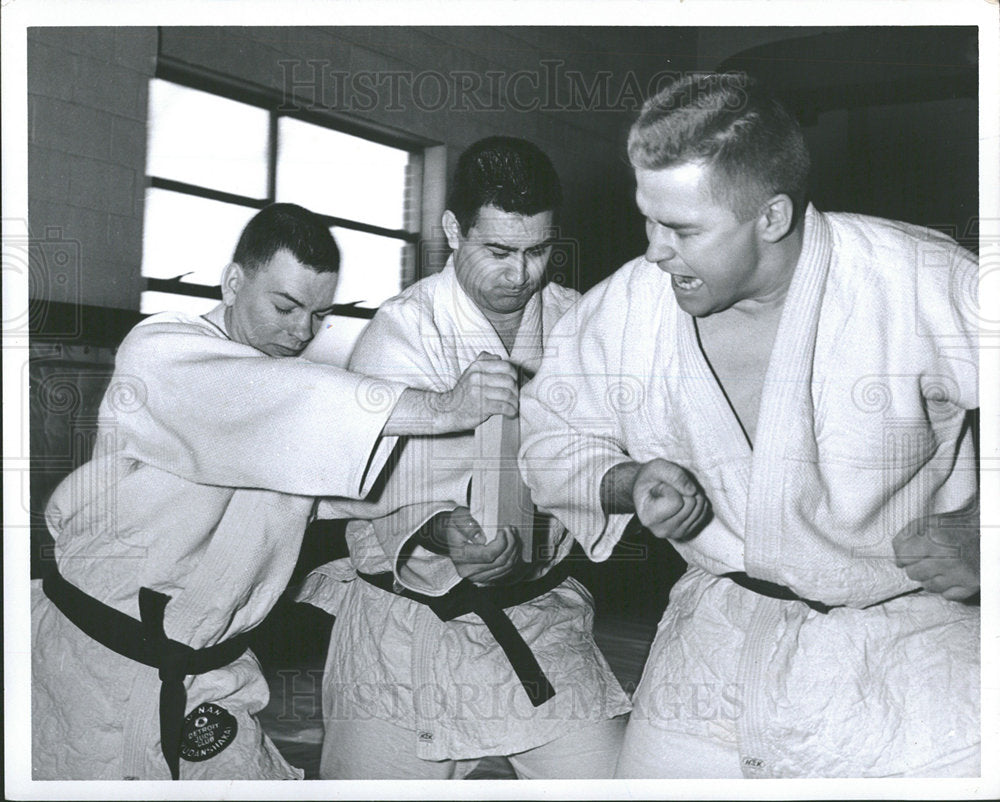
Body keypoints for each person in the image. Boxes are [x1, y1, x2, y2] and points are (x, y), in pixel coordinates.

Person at [519, 73, 980, 778]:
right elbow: (551, 436)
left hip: (903, 643)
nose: (653, 251)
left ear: (771, 217)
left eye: (682, 229)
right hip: (713, 640)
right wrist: (627, 480)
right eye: (648, 218)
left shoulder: (917, 279)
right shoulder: (629, 307)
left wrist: (982, 528)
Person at [30, 203, 519, 780]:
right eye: (285, 306)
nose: (302, 332)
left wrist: (452, 513)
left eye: (319, 314)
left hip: (209, 675)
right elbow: (275, 402)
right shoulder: (159, 351)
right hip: (86, 666)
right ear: (234, 282)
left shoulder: (290, 409)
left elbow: (371, 472)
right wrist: (443, 406)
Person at [297, 137, 631, 780]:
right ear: (454, 230)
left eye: (538, 251)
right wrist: (443, 529)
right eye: (498, 251)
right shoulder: (402, 331)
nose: (521, 274)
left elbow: (601, 453)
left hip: (539, 623)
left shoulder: (581, 324)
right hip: (403, 635)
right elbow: (369, 493)